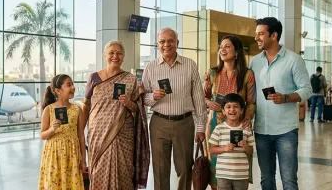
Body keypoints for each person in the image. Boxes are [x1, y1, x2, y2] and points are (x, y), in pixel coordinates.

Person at [249, 17, 311, 190]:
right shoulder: (254, 61)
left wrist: (285, 98)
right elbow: (250, 92)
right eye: (256, 34)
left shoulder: (293, 60)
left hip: (286, 131)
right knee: (266, 179)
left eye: (261, 34)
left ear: (274, 35)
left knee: (289, 180)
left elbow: (307, 89)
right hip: (261, 129)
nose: (257, 38)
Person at [142, 27, 207, 190]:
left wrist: (200, 128)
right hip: (158, 123)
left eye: (170, 41)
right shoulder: (150, 67)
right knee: (160, 169)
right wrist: (153, 97)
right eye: (162, 41)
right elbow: (143, 98)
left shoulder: (190, 65)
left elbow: (199, 99)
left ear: (177, 43)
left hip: (184, 123)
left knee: (184, 168)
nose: (166, 45)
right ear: (157, 45)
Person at [82, 40, 150, 190]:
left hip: (123, 133)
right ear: (105, 55)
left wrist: (128, 103)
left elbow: (137, 109)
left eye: (119, 53)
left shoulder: (130, 79)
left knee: (124, 170)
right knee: (99, 169)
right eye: (111, 53)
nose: (115, 56)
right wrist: (79, 131)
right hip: (98, 133)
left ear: (123, 57)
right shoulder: (94, 77)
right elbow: (86, 106)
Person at [203, 35, 256, 190]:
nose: (222, 49)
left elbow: (252, 102)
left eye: (227, 46)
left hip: (239, 127)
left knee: (238, 163)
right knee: (215, 166)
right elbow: (204, 97)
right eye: (221, 46)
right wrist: (208, 103)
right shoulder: (212, 73)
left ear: (237, 52)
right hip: (214, 126)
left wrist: (247, 119)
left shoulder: (247, 75)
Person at [38, 74, 86, 190]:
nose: (73, 87)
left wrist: (83, 160)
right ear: (58, 90)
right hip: (54, 155)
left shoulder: (77, 109)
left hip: (72, 154)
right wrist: (52, 129)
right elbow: (43, 135)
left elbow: (81, 135)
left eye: (72, 84)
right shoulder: (48, 110)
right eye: (69, 85)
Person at [208, 93, 255, 190]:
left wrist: (246, 147)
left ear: (242, 110)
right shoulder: (219, 128)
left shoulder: (246, 129)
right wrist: (224, 148)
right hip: (223, 175)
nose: (232, 109)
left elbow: (250, 151)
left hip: (241, 175)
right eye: (228, 107)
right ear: (223, 111)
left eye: (236, 107)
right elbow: (212, 150)